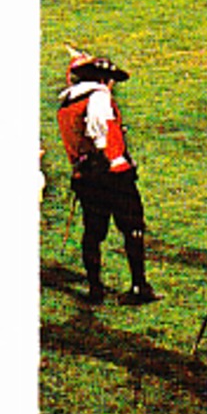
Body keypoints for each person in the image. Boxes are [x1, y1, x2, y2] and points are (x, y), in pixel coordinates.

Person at [55, 48, 156, 304]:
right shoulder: (98, 98)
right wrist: (112, 158)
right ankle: (138, 285)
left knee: (93, 231)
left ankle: (95, 287)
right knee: (132, 227)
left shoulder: (68, 103)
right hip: (111, 174)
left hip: (85, 176)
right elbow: (100, 135)